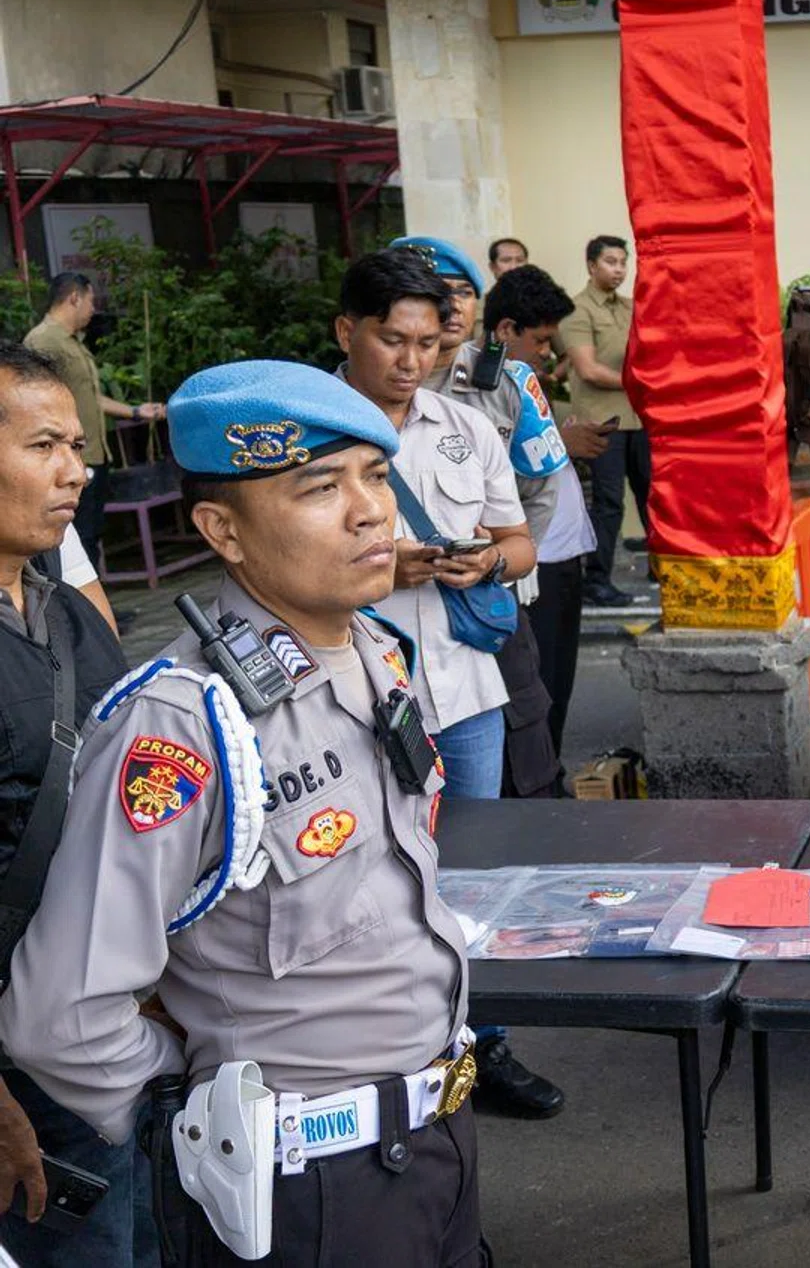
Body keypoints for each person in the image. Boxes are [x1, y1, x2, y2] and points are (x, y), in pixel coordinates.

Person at [0, 360, 485, 1266]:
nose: (370, 511)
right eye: (319, 488)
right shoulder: (184, 721)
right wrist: (190, 1107)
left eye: (375, 477)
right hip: (312, 1187)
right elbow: (57, 1016)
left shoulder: (377, 653)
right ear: (224, 530)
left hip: (435, 1140)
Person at [335, 250, 564, 1120]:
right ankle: (387, 1057)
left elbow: (521, 544)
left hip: (466, 693)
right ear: (346, 331)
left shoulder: (463, 425)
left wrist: (481, 563)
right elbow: (293, 568)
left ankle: (485, 1045)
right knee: (367, 874)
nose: (411, 360)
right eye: (393, 339)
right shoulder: (309, 434)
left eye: (428, 343)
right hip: (356, 695)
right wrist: (401, 567)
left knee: (469, 873)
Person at [0, 343, 154, 1267]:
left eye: (78, 446)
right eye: (45, 445)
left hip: (91, 1030)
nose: (76, 471)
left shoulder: (63, 615)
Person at [399, 238, 590, 792]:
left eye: (463, 292)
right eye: (436, 293)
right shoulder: (357, 398)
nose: (453, 305)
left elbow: (540, 486)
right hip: (393, 605)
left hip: (491, 588)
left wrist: (511, 557)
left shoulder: (506, 381)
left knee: (521, 732)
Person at [481, 266, 606, 751]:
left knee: (558, 682)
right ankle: (540, 791)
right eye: (540, 339)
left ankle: (549, 778)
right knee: (538, 691)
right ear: (505, 330)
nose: (548, 352)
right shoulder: (480, 389)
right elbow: (485, 482)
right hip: (532, 562)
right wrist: (563, 443)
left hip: (561, 553)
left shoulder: (524, 380)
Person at [22, 272, 165, 569]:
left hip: (93, 453)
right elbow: (34, 403)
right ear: (74, 297)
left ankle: (97, 607)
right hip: (70, 459)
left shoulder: (73, 343)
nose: (93, 309)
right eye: (90, 301)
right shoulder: (43, 341)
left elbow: (91, 397)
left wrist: (136, 411)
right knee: (76, 537)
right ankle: (80, 610)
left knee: (91, 532)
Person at [559, 235, 650, 608]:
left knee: (653, 496)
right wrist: (645, 383)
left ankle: (665, 568)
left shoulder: (631, 307)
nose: (619, 269)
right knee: (609, 503)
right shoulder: (577, 311)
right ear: (591, 266)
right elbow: (588, 369)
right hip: (603, 421)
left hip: (640, 417)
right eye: (610, 262)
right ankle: (596, 580)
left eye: (623, 262)